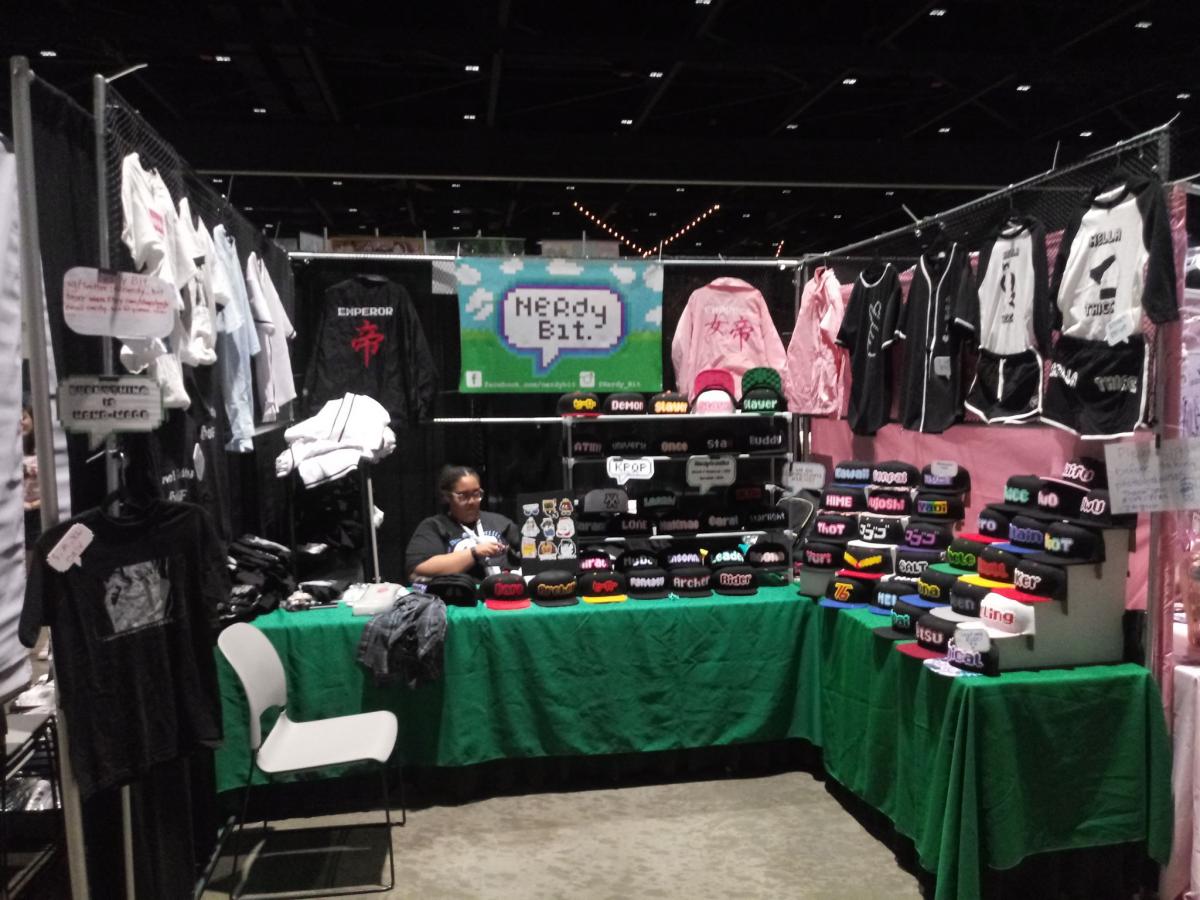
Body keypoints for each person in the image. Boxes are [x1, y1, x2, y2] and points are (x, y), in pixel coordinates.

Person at [405, 465, 520, 581]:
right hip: (458, 590)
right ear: (447, 497)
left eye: (476, 494)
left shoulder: (500, 522)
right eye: (463, 496)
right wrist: (474, 553)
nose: (471, 501)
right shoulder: (435, 526)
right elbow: (419, 567)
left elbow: (527, 551)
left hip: (502, 588)